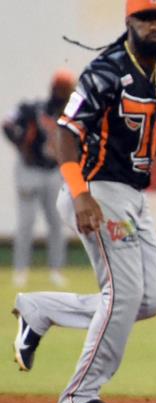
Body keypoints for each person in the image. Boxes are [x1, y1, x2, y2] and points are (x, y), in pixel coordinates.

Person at [11, 0, 156, 403]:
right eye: (146, 18)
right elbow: (66, 134)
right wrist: (79, 195)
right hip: (97, 190)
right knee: (123, 295)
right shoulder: (105, 72)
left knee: (150, 299)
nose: (155, 27)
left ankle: (42, 309)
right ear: (129, 22)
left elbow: (144, 139)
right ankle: (78, 397)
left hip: (133, 195)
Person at [3, 69, 76, 288]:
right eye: (62, 89)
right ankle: (20, 270)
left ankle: (56, 270)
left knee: (56, 222)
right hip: (30, 170)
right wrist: (20, 143)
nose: (64, 93)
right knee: (26, 223)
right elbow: (7, 122)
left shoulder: (71, 115)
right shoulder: (34, 109)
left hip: (54, 171)